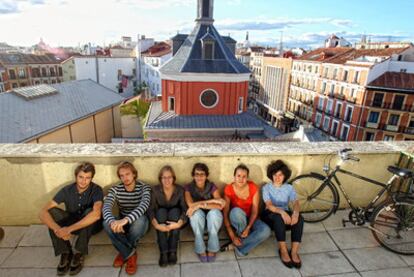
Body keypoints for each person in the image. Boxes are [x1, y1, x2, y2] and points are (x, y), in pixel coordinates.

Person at [39, 162, 103, 276]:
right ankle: (65, 252)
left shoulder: (96, 189)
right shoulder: (67, 190)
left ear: (91, 178)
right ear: (75, 176)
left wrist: (68, 229)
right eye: (81, 177)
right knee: (51, 213)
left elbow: (97, 214)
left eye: (88, 178)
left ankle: (79, 252)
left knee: (90, 213)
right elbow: (42, 212)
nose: (84, 181)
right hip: (72, 221)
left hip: (92, 226)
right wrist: (58, 229)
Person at [102, 162, 151, 275]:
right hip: (123, 225)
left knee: (140, 220)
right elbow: (106, 207)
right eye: (122, 176)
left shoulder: (144, 187)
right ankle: (129, 253)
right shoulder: (115, 189)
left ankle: (123, 250)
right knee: (106, 223)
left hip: (140, 223)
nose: (125, 178)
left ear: (134, 174)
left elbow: (144, 205)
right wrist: (112, 222)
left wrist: (125, 220)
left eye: (127, 174)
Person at [261, 160, 304, 269]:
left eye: (280, 175)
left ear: (285, 176)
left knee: (300, 218)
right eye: (275, 175)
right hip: (269, 214)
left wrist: (295, 213)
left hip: (284, 214)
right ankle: (283, 250)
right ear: (271, 175)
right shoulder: (266, 188)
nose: (277, 177)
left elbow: (296, 202)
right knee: (279, 218)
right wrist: (281, 212)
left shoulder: (289, 188)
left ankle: (294, 252)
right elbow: (269, 205)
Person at [223, 164, 271, 257]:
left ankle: (238, 246)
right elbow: (225, 213)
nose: (241, 179)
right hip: (238, 218)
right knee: (236, 211)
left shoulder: (253, 187)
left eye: (244, 176)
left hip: (251, 219)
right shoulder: (228, 189)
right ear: (234, 177)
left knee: (266, 230)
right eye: (238, 176)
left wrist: (248, 227)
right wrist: (232, 236)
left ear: (247, 178)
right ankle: (241, 239)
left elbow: (254, 211)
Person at [184, 163, 225, 263]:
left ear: (206, 175)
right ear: (193, 175)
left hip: (212, 222)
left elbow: (220, 205)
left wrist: (199, 205)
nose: (199, 177)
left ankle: (212, 248)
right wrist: (211, 201)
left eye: (202, 174)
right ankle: (201, 249)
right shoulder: (188, 187)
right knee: (195, 214)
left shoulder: (211, 186)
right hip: (198, 222)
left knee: (214, 213)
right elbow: (190, 205)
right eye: (196, 174)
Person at [148, 165, 187, 267]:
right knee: (160, 212)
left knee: (175, 211)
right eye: (164, 177)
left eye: (169, 177)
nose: (167, 180)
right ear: (160, 179)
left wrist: (179, 223)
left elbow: (185, 209)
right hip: (161, 217)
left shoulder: (180, 190)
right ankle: (164, 252)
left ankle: (173, 250)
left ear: (173, 178)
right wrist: (156, 225)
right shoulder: (155, 190)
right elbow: (151, 209)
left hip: (176, 218)